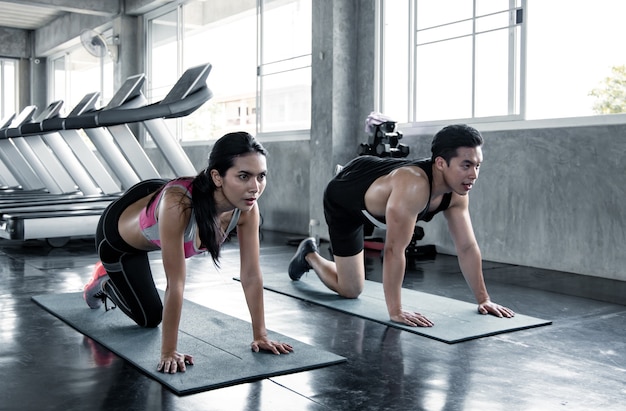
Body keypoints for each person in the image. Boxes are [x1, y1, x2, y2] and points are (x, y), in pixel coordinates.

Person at [83, 131, 293, 374]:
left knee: (152, 314)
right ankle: (104, 281)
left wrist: (261, 335)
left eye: (261, 176)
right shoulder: (178, 205)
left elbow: (251, 275)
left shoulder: (246, 209)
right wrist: (169, 351)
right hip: (118, 238)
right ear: (217, 176)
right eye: (244, 176)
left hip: (157, 201)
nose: (255, 187)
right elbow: (176, 282)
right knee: (150, 319)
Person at [288, 124, 514, 327]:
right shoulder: (414, 187)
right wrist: (395, 311)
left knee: (351, 289)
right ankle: (310, 255)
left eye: (477, 166)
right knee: (350, 290)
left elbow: (466, 247)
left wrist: (484, 299)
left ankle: (308, 252)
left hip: (375, 180)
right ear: (441, 163)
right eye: (466, 165)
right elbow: (394, 250)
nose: (473, 174)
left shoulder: (457, 194)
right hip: (344, 198)